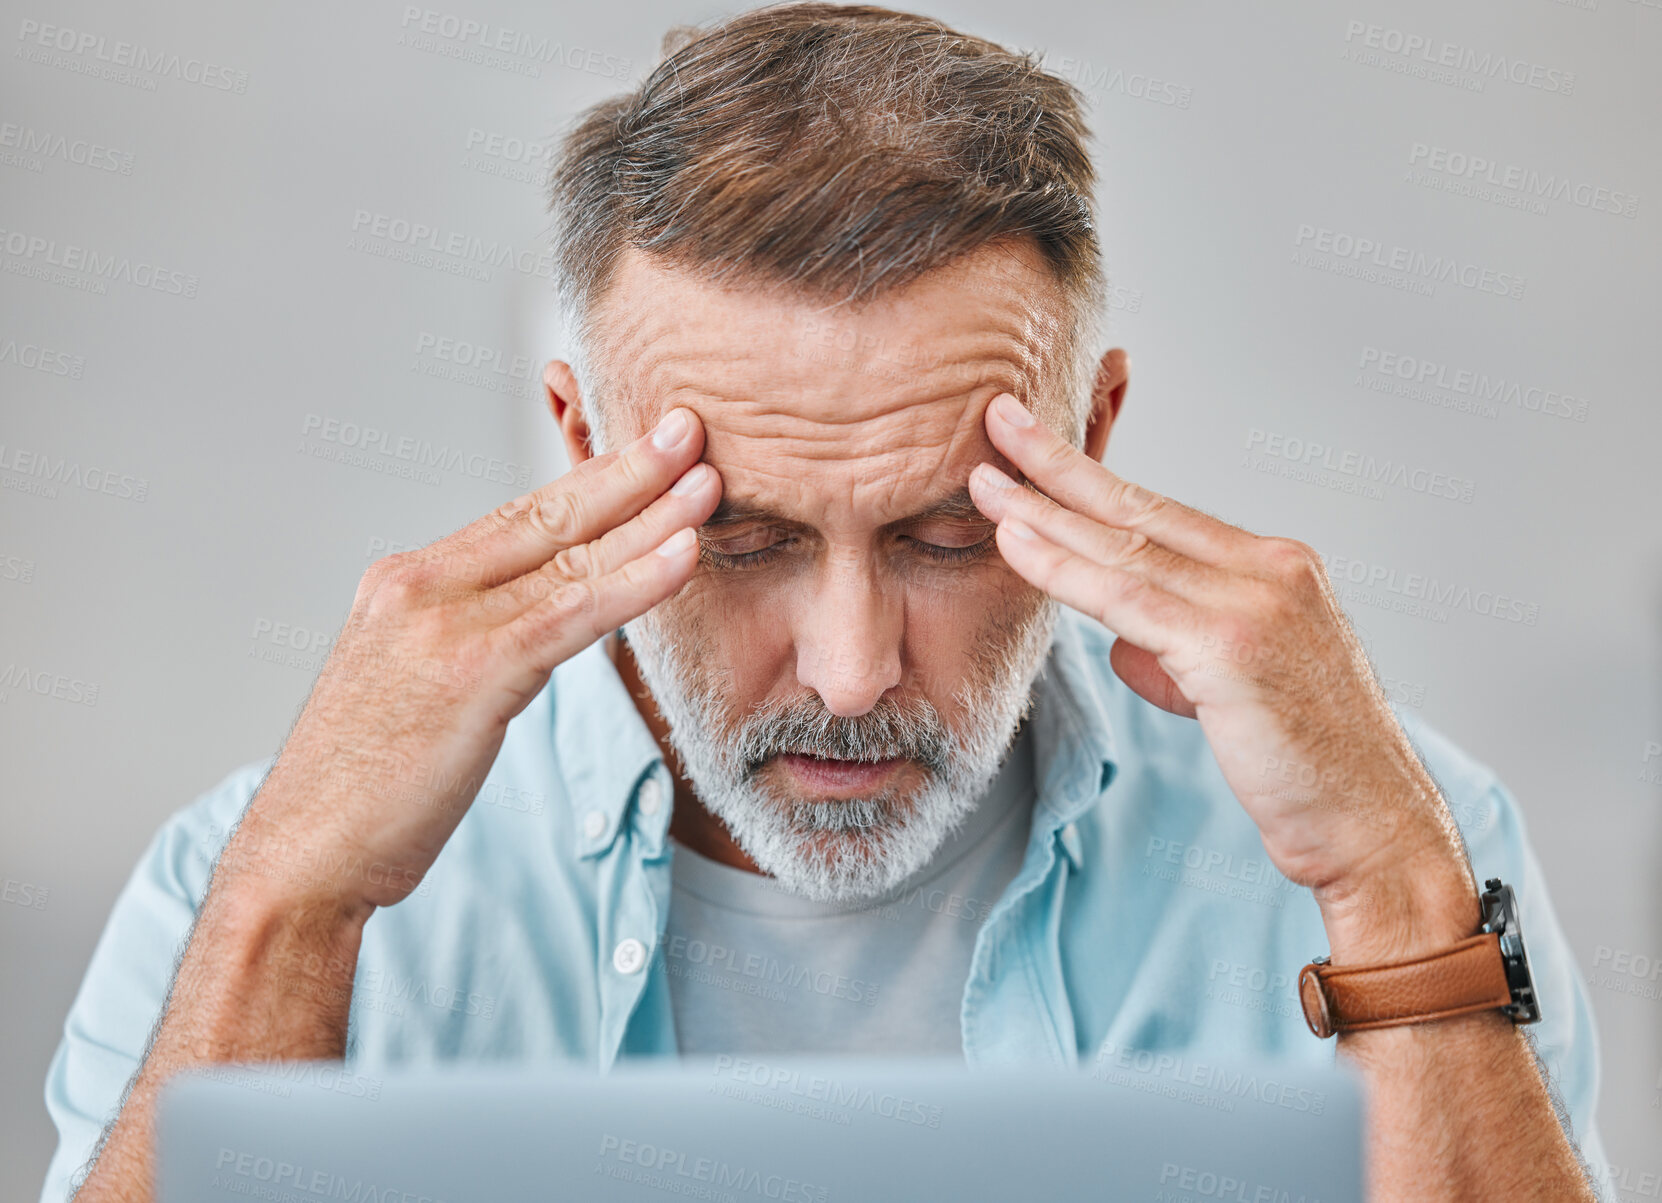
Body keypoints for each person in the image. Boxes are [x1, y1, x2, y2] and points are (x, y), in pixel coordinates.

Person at [42, 5, 1606, 1201]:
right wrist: (287, 917)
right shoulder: (253, 879)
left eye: (944, 534)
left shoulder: (1403, 840)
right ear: (582, 450)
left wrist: (1394, 885)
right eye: (741, 539)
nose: (851, 676)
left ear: (1090, 445)